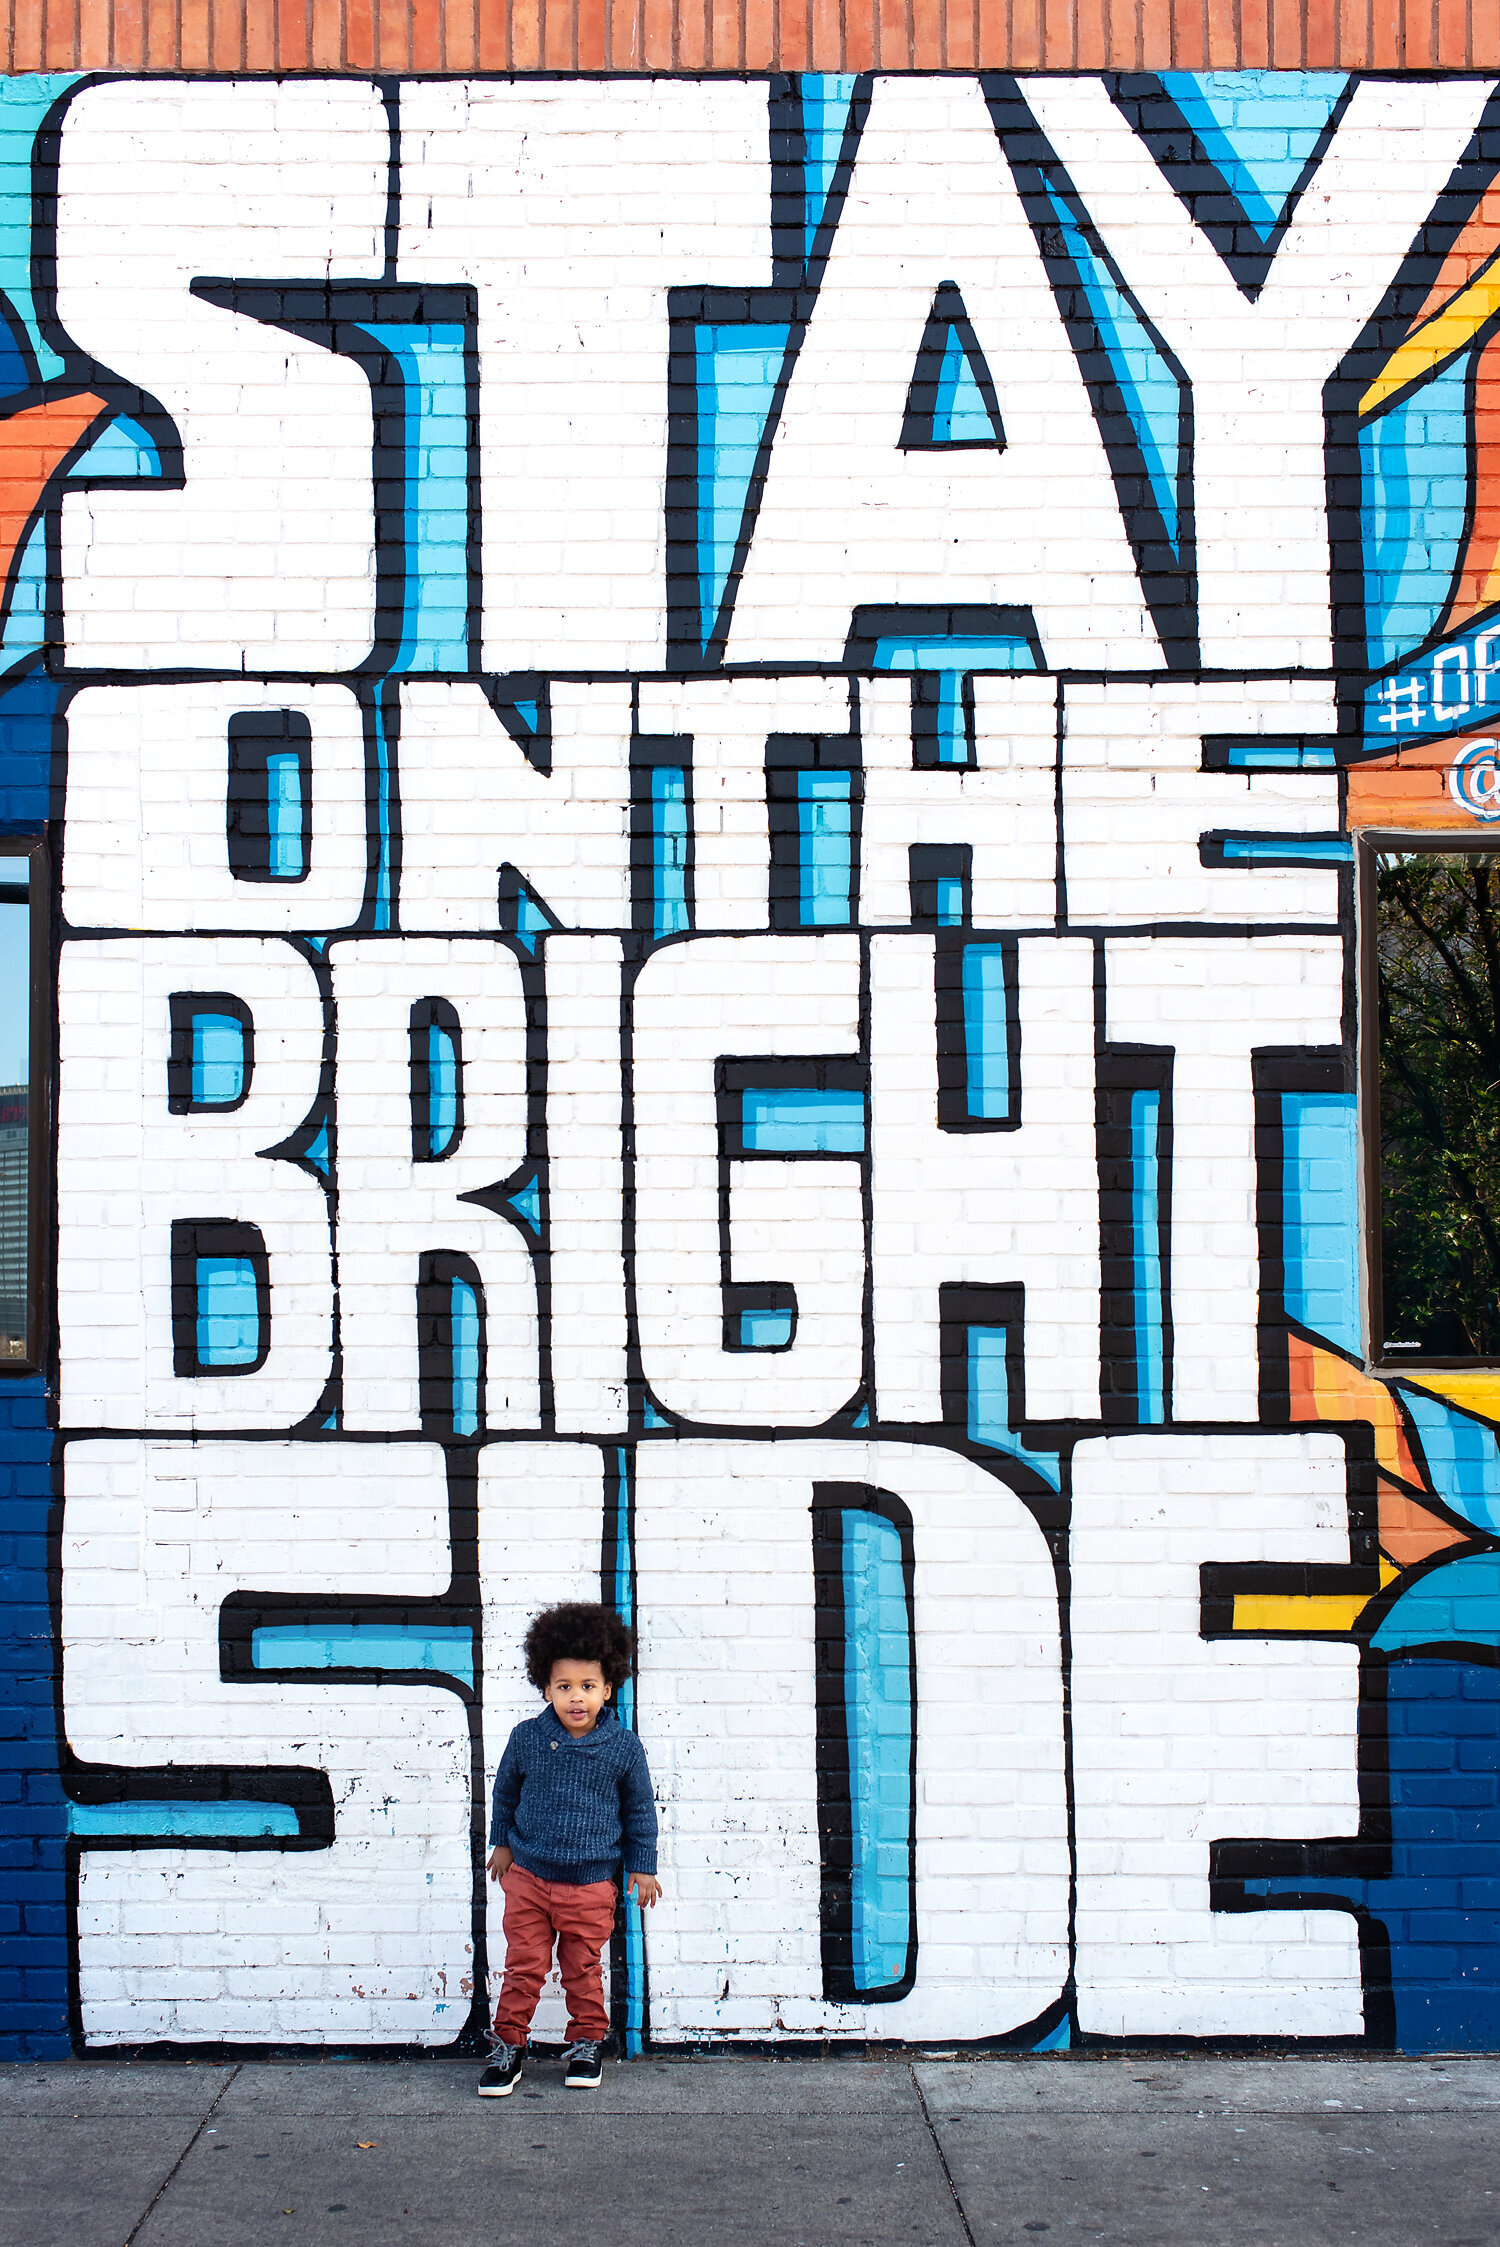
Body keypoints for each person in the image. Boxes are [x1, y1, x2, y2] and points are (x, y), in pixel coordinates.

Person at [479, 1600, 660, 2097]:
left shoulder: (623, 1748)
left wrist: (642, 1867)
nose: (575, 1698)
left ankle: (585, 2043)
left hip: (590, 1886)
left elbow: (639, 1811)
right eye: (564, 1687)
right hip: (530, 1879)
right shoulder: (526, 1739)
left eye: (587, 1687)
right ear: (545, 1687)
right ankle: (510, 2046)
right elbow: (505, 1793)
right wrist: (502, 1844)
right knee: (524, 1966)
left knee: (583, 1969)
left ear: (607, 1687)